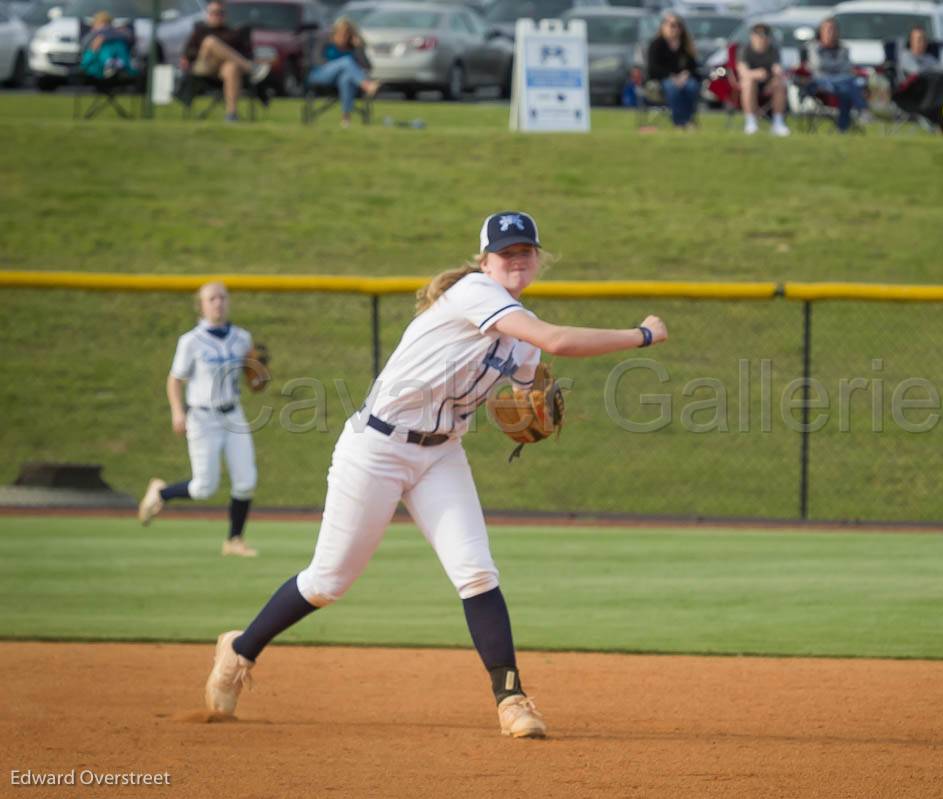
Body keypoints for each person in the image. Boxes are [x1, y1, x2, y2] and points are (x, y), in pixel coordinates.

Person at [201, 212, 669, 738]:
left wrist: (531, 400)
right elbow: (558, 340)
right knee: (328, 582)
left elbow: (529, 376)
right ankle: (240, 650)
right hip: (376, 449)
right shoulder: (473, 292)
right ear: (484, 261)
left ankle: (512, 700)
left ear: (538, 259)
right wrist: (642, 335)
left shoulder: (521, 334)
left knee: (476, 572)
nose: (516, 259)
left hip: (442, 454)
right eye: (505, 252)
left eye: (525, 251)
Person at [138, 282, 262, 558]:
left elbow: (254, 380)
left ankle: (234, 540)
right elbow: (175, 379)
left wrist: (259, 375)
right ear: (201, 305)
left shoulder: (242, 338)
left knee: (246, 481)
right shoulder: (191, 341)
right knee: (203, 488)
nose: (218, 303)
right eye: (212, 298)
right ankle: (161, 493)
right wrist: (177, 411)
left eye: (222, 298)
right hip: (203, 418)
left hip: (233, 415)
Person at [180, 0, 270, 123]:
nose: (217, 15)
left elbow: (245, 52)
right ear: (207, 14)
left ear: (225, 15)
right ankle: (251, 68)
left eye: (220, 12)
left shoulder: (232, 33)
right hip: (203, 67)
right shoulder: (200, 30)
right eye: (213, 12)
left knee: (232, 67)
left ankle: (231, 114)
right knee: (210, 41)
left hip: (223, 71)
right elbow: (187, 53)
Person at [308, 17, 380, 129]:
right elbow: (317, 60)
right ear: (335, 31)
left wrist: (359, 48)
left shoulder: (352, 46)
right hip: (321, 75)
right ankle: (367, 85)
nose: (343, 37)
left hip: (340, 79)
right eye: (341, 33)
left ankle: (345, 119)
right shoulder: (325, 40)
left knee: (346, 78)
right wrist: (337, 66)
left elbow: (367, 66)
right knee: (346, 62)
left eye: (347, 34)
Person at [893, 26, 943, 135]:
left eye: (924, 40)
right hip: (916, 95)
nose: (921, 43)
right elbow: (917, 73)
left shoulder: (930, 58)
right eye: (918, 39)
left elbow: (942, 71)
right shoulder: (906, 57)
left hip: (935, 95)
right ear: (911, 41)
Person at [811, 18, 870, 133]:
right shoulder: (814, 47)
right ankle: (863, 110)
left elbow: (847, 67)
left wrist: (834, 68)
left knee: (846, 90)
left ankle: (842, 128)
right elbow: (819, 65)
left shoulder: (844, 48)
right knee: (850, 83)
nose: (831, 33)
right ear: (820, 32)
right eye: (827, 30)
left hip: (842, 84)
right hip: (822, 84)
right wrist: (838, 67)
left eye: (833, 30)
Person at [646, 12, 701, 129]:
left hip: (684, 79)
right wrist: (672, 77)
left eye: (677, 25)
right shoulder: (656, 44)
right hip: (663, 79)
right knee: (672, 88)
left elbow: (693, 67)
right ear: (663, 26)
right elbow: (653, 68)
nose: (674, 28)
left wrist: (686, 74)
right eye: (670, 25)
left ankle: (689, 119)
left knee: (692, 87)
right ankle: (680, 122)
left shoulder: (686, 46)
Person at [736, 23, 790, 137]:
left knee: (779, 84)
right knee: (749, 83)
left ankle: (778, 123)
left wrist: (777, 74)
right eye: (758, 35)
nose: (761, 38)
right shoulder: (745, 50)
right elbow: (743, 72)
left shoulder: (773, 50)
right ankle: (751, 122)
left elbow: (777, 68)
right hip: (750, 85)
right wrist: (756, 74)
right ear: (752, 36)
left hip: (769, 85)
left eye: (764, 35)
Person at [79, 11, 136, 80]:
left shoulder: (118, 38)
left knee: (117, 45)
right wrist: (93, 49)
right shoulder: (90, 38)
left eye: (106, 24)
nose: (104, 27)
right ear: (95, 24)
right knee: (107, 48)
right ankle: (111, 64)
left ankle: (113, 64)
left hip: (118, 67)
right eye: (101, 24)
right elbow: (85, 62)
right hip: (96, 69)